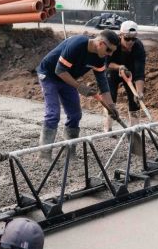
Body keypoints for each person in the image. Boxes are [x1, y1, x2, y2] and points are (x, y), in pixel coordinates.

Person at [36, 30, 120, 160]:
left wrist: (111, 106)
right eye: (109, 50)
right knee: (53, 114)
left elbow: (103, 83)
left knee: (75, 115)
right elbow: (59, 70)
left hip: (67, 78)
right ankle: (44, 155)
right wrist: (79, 87)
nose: (110, 54)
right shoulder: (78, 44)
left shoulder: (100, 57)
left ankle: (69, 153)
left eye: (113, 51)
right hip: (49, 75)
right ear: (101, 43)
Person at [104, 21, 145, 132]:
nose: (130, 42)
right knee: (111, 96)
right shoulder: (113, 43)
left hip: (129, 73)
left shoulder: (138, 47)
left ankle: (134, 129)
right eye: (127, 39)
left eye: (133, 39)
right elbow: (107, 63)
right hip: (112, 70)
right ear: (121, 35)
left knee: (134, 98)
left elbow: (139, 72)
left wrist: (139, 92)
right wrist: (119, 67)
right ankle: (108, 127)